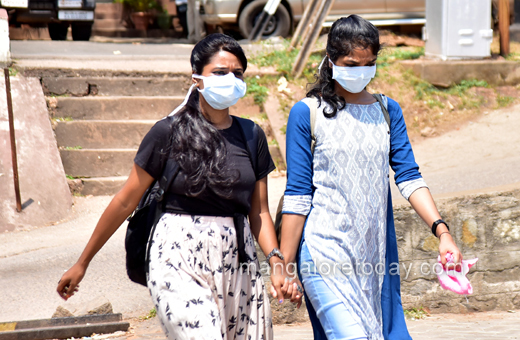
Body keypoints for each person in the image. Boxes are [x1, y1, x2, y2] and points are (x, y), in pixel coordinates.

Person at [57, 33, 297, 340]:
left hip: (238, 261)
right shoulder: (168, 132)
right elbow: (124, 201)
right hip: (177, 258)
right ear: (197, 79)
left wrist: (276, 262)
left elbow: (259, 211)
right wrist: (82, 262)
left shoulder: (252, 135)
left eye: (238, 73)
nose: (231, 79)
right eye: (220, 72)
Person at [279, 16, 462, 340]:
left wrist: (442, 231)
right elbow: (297, 196)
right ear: (332, 59)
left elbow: (408, 176)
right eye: (352, 64)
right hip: (324, 255)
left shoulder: (387, 111)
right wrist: (284, 265)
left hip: (373, 263)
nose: (361, 71)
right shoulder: (306, 113)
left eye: (370, 63)